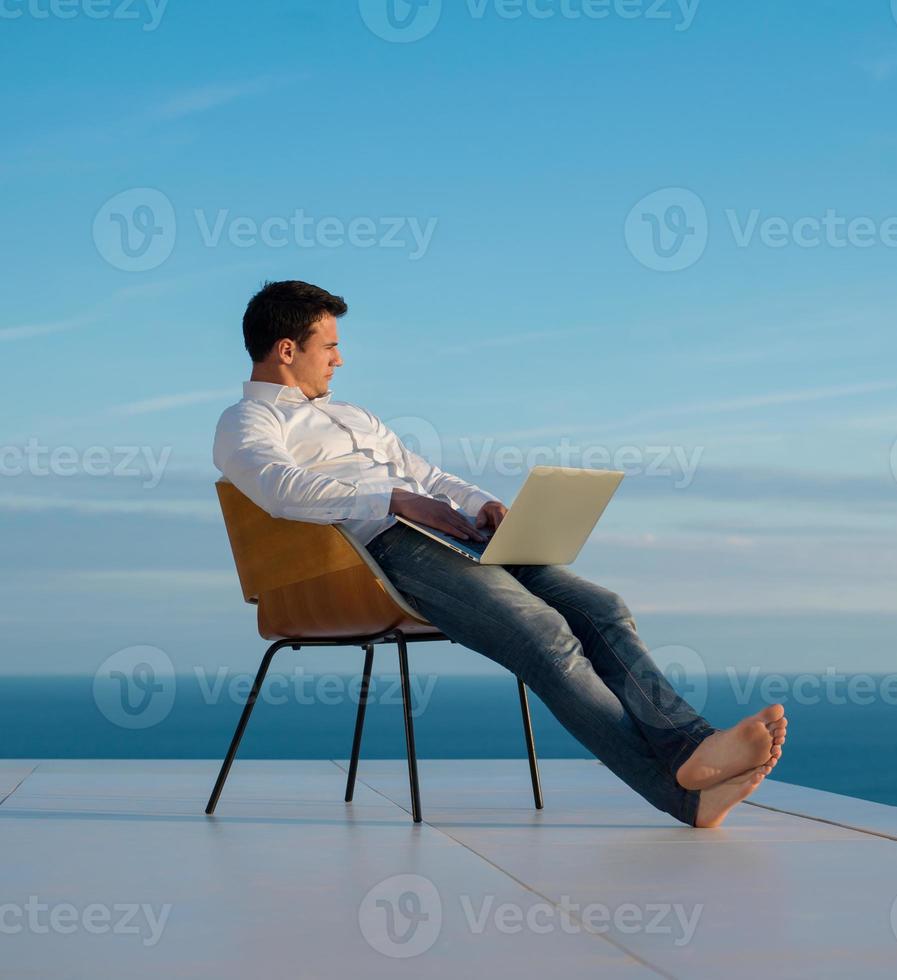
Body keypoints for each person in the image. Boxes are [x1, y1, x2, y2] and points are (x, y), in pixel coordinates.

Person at [212, 280, 787, 828]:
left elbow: (426, 473)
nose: (339, 360)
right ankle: (679, 791)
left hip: (451, 534)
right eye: (330, 346)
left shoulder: (355, 415)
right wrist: (396, 500)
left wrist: (483, 504)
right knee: (544, 632)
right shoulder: (247, 421)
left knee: (601, 608)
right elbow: (279, 489)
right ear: (288, 350)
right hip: (376, 557)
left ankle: (691, 747)